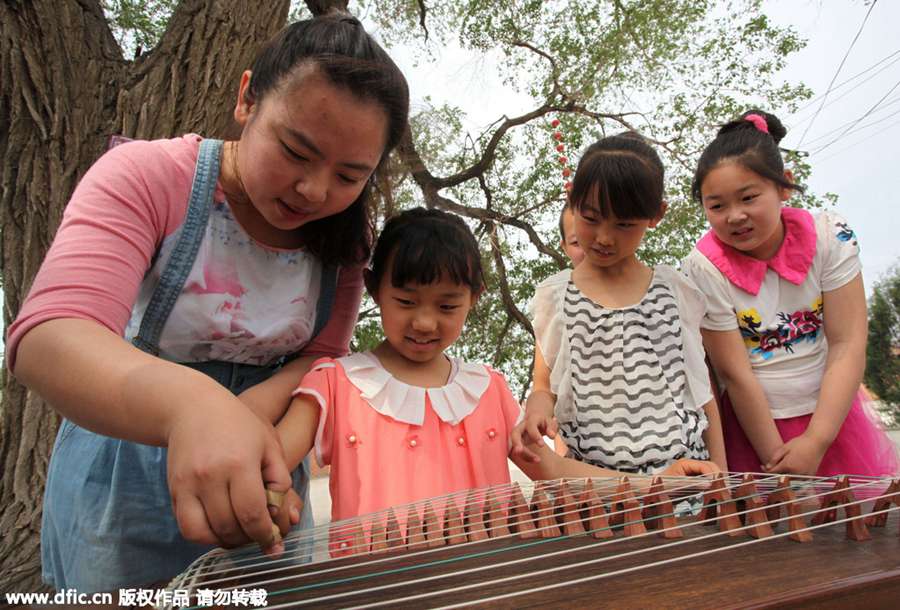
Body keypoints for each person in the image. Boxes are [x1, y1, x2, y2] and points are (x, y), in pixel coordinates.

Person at [7, 14, 409, 592]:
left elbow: (321, 360)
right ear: (247, 99)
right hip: (126, 470)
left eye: (349, 175)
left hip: (265, 471)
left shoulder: (345, 242)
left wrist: (251, 419)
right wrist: (194, 406)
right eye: (296, 151)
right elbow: (48, 336)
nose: (315, 191)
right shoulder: (148, 176)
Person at [270, 208, 719, 530]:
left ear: (475, 298)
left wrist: (654, 482)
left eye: (447, 305)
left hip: (491, 587)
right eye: (406, 301)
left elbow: (555, 471)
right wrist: (271, 495)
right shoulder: (338, 383)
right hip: (379, 593)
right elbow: (270, 464)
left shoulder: (486, 389)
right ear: (373, 289)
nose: (425, 322)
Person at [682, 110, 899, 476]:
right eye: (716, 206)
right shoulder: (703, 267)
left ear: (784, 185)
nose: (734, 216)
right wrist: (779, 462)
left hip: (831, 418)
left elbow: (847, 344)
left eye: (748, 198)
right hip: (754, 428)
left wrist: (816, 440)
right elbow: (734, 374)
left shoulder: (831, 237)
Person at [511, 132, 727, 474]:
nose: (604, 238)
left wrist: (723, 477)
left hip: (686, 482)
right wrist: (536, 410)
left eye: (624, 224)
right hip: (601, 492)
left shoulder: (675, 290)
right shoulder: (556, 297)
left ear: (656, 215)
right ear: (572, 200)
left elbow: (701, 393)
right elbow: (543, 386)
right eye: (591, 218)